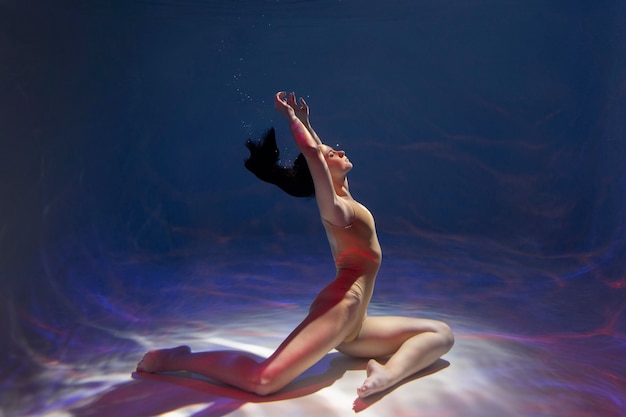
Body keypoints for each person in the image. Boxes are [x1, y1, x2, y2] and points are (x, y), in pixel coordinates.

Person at [137, 91, 454, 398]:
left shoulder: (345, 196)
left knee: (441, 334)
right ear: (322, 175)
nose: (340, 152)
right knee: (263, 381)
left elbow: (318, 153)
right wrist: (291, 119)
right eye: (333, 154)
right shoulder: (338, 210)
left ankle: (387, 374)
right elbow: (314, 155)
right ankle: (177, 358)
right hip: (340, 309)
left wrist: (306, 120)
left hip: (356, 324)